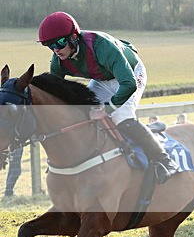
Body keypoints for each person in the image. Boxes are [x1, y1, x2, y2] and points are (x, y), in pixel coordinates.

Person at [37, 11, 179, 184]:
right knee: (83, 112)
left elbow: (129, 84)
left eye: (59, 43)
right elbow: (56, 94)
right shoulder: (58, 61)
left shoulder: (102, 47)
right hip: (102, 79)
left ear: (74, 37)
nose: (56, 49)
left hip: (130, 75)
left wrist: (107, 109)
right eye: (50, 46)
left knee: (120, 117)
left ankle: (165, 160)